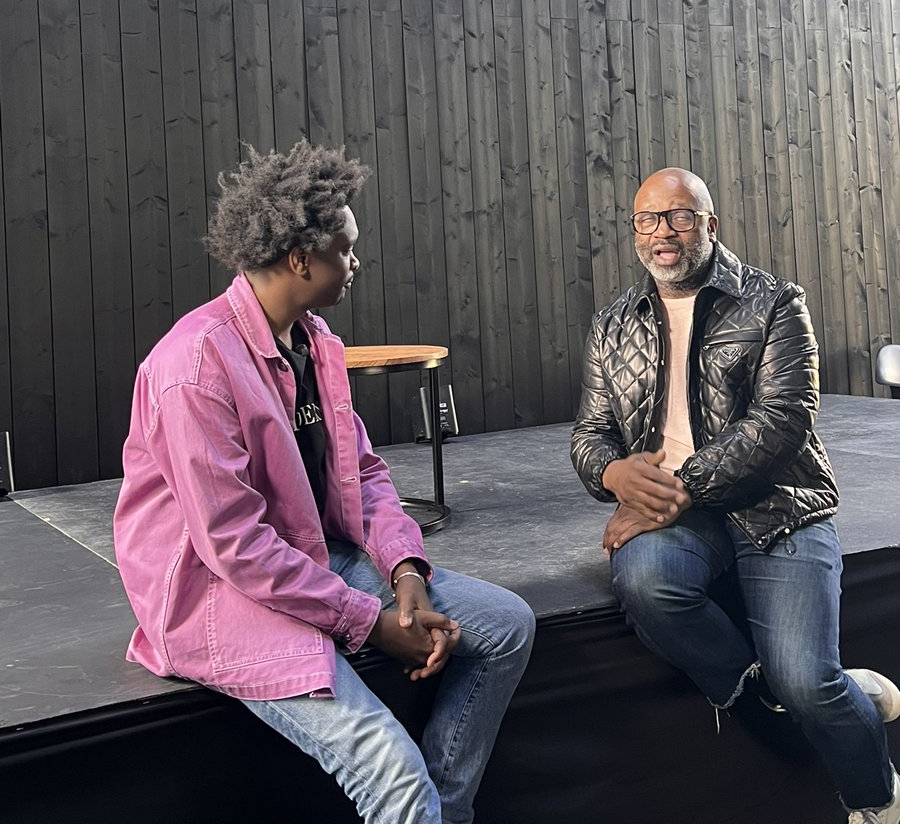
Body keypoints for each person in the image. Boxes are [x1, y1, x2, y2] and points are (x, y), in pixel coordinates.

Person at [114, 140, 535, 824]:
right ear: (300, 258)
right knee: (395, 778)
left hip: (311, 559)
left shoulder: (316, 341)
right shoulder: (193, 367)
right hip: (223, 596)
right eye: (348, 248)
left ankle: (440, 815)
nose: (357, 262)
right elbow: (235, 549)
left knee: (508, 626)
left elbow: (361, 473)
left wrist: (405, 572)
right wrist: (372, 624)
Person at [571, 167, 900, 824]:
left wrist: (673, 490)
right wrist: (612, 476)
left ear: (710, 225)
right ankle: (769, 695)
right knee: (648, 582)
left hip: (781, 508)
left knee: (809, 680)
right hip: (680, 520)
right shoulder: (613, 324)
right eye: (647, 219)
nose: (662, 233)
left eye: (679, 216)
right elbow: (591, 432)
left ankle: (876, 797)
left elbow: (782, 420)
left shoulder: (776, 302)